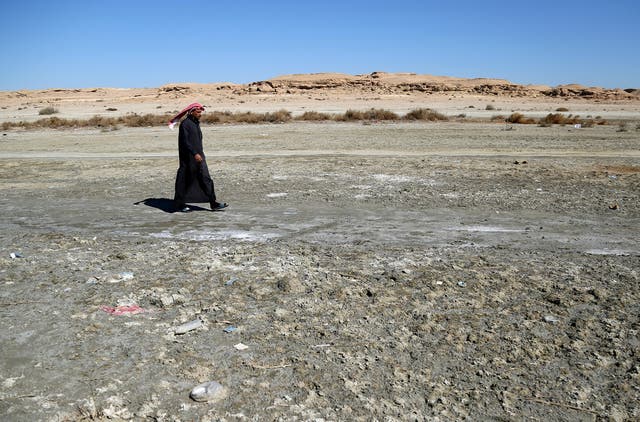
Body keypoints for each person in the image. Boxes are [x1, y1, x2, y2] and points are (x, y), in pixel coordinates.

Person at [170, 102, 228, 212]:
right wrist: (194, 153)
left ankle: (213, 203)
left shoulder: (195, 123)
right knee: (186, 180)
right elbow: (185, 142)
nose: (200, 114)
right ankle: (179, 204)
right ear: (191, 112)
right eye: (197, 112)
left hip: (200, 157)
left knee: (206, 179)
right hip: (189, 158)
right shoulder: (185, 124)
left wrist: (199, 153)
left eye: (200, 112)